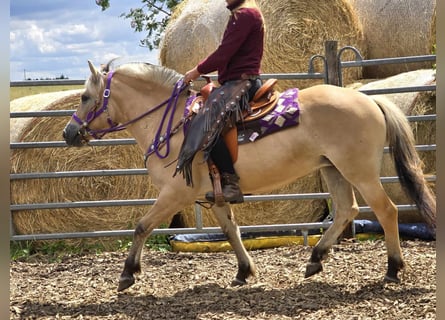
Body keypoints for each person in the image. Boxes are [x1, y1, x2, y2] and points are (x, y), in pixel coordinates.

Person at [183, 0, 265, 204]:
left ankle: (231, 183)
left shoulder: (245, 15)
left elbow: (224, 53)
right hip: (235, 82)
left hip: (242, 83)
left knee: (207, 124)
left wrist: (196, 71)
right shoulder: (243, 15)